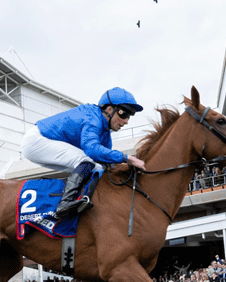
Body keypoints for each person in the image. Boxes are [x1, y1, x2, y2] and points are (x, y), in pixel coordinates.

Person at [22, 87, 147, 219]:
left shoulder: (104, 132)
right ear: (109, 109)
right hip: (37, 140)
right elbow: (91, 150)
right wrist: (128, 158)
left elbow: (106, 163)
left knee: (97, 167)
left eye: (129, 116)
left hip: (40, 143)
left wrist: (129, 169)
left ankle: (81, 201)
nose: (126, 121)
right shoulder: (92, 117)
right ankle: (65, 203)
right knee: (86, 161)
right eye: (124, 114)